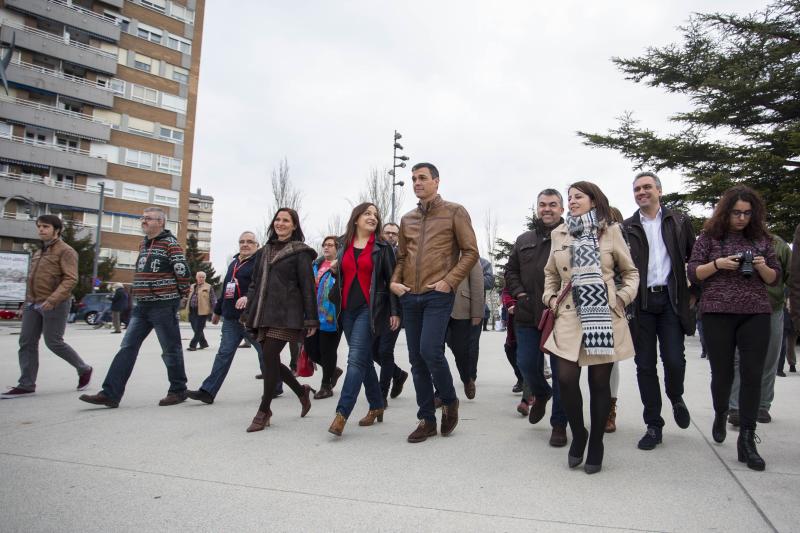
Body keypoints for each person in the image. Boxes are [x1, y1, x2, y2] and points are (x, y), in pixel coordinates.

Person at [543, 181, 638, 474]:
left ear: (593, 201)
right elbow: (550, 274)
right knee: (565, 378)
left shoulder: (611, 231)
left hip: (602, 316)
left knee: (599, 384)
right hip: (568, 314)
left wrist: (621, 299)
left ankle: (596, 442)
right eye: (569, 197)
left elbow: (631, 272)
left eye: (578, 197)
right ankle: (579, 433)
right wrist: (550, 299)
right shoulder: (559, 233)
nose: (572, 201)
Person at [688, 185, 779, 471]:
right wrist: (718, 264)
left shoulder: (762, 239)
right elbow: (694, 272)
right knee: (723, 374)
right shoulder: (708, 238)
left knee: (752, 374)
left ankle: (747, 439)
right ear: (725, 212)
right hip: (717, 312)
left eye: (747, 213)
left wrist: (761, 266)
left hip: (755, 312)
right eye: (736, 213)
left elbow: (774, 278)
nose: (741, 218)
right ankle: (720, 411)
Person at [390, 162, 479, 443]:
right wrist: (394, 282)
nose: (417, 182)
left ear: (436, 181)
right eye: (413, 178)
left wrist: (449, 281)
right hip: (409, 295)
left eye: (422, 178)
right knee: (416, 359)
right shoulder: (407, 219)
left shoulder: (455, 211)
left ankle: (449, 400)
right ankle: (426, 419)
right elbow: (402, 257)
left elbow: (470, 252)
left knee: (430, 350)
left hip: (437, 295)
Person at [79, 207, 190, 408]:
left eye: (148, 218)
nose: (143, 221)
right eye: (142, 218)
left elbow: (182, 272)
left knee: (170, 349)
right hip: (142, 306)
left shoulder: (171, 244)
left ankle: (178, 390)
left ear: (161, 222)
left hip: (163, 305)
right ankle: (110, 394)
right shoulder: (143, 244)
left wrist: (179, 297)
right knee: (127, 348)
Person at [622, 172, 698, 450]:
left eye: (647, 187)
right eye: (637, 189)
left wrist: (694, 293)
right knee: (645, 365)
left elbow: (694, 259)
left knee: (675, 360)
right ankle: (654, 424)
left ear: (659, 191)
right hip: (641, 303)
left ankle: (675, 396)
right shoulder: (626, 227)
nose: (641, 192)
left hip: (670, 300)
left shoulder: (679, 221)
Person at [241, 208, 318, 432]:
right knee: (271, 359)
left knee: (268, 357)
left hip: (287, 315)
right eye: (278, 219)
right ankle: (301, 392)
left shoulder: (300, 252)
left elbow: (308, 287)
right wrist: (248, 311)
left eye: (286, 220)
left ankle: (264, 410)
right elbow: (254, 284)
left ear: (294, 226)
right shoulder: (264, 251)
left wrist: (311, 319)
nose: (281, 223)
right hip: (263, 314)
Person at [328, 203, 400, 436]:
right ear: (356, 218)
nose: (373, 217)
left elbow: (391, 280)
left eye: (375, 215)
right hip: (346, 310)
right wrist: (333, 270)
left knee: (355, 360)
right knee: (364, 360)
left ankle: (342, 413)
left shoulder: (382, 247)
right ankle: (377, 404)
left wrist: (395, 311)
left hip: (369, 310)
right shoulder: (343, 244)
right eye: (367, 213)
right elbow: (342, 273)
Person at [505, 189, 570, 447]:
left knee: (561, 372)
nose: (547, 209)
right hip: (527, 312)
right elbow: (511, 270)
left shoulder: (571, 237)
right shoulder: (524, 240)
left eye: (553, 204)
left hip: (561, 315)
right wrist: (520, 294)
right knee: (526, 364)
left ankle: (559, 424)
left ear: (562, 209)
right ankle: (542, 393)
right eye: (542, 204)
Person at [2, 215, 93, 399]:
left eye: (45, 226)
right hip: (33, 303)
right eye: (39, 226)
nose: (41, 230)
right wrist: (25, 302)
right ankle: (26, 385)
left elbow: (71, 279)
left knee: (53, 342)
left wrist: (52, 299)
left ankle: (83, 368)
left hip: (56, 303)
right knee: (26, 342)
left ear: (56, 230)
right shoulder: (39, 252)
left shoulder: (66, 251)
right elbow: (32, 279)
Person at [186, 232, 268, 404]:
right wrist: (217, 311)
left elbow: (263, 286)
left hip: (252, 319)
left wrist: (248, 297)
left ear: (257, 245)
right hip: (231, 319)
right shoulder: (234, 263)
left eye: (249, 241)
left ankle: (275, 386)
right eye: (242, 241)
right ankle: (208, 391)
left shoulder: (260, 263)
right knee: (223, 354)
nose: (245, 244)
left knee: (265, 355)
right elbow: (226, 290)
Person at [728, 235, 791, 425]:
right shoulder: (733, 240)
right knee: (739, 358)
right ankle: (735, 406)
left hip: (773, 308)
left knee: (770, 358)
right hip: (742, 308)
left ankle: (762, 405)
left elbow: (791, 276)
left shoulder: (779, 244)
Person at [371, 222, 409, 404]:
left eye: (394, 233)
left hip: (396, 309)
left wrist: (396, 311)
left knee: (385, 351)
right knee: (373, 351)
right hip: (376, 309)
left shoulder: (404, 255)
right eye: (387, 232)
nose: (391, 236)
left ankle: (382, 393)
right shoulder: (376, 252)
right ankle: (398, 374)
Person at [305, 235, 344, 399]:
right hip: (313, 314)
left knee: (327, 351)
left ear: (338, 248)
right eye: (324, 245)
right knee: (311, 350)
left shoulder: (341, 266)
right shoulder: (316, 264)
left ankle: (326, 385)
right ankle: (333, 370)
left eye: (330, 245)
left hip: (332, 315)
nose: (326, 247)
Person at [444, 260, 485, 399]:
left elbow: (477, 282)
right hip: (435, 306)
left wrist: (477, 311)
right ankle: (440, 391)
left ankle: (467, 379)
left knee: (461, 350)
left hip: (461, 308)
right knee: (433, 350)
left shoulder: (467, 251)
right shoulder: (432, 249)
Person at [185, 271, 216, 351]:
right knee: (195, 328)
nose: (201, 278)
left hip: (203, 311)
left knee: (199, 329)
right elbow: (187, 296)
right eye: (200, 277)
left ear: (205, 278)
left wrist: (215, 311)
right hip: (192, 310)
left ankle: (193, 345)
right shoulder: (192, 286)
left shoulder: (209, 287)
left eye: (203, 277)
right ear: (196, 277)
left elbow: (213, 299)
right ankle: (203, 343)